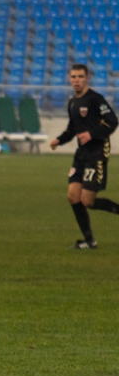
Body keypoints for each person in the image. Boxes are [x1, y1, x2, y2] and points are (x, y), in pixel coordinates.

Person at [50, 64, 119, 249]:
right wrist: (59, 140)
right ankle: (89, 241)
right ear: (69, 79)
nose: (77, 80)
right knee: (73, 196)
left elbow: (112, 121)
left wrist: (91, 134)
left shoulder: (96, 99)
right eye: (73, 77)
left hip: (97, 153)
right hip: (81, 155)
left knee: (88, 201)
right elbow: (72, 128)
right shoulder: (73, 102)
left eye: (80, 76)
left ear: (87, 78)